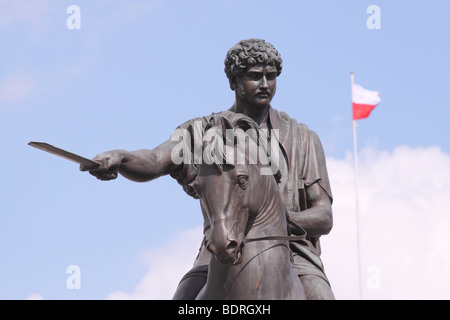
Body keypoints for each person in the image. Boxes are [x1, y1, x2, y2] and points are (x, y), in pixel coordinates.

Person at [82, 39, 335, 300]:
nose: (265, 85)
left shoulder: (303, 138)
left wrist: (271, 222)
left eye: (271, 77)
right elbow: (156, 160)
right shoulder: (204, 133)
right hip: (218, 254)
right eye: (254, 76)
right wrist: (121, 157)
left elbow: (324, 216)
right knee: (184, 299)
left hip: (295, 256)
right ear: (234, 82)